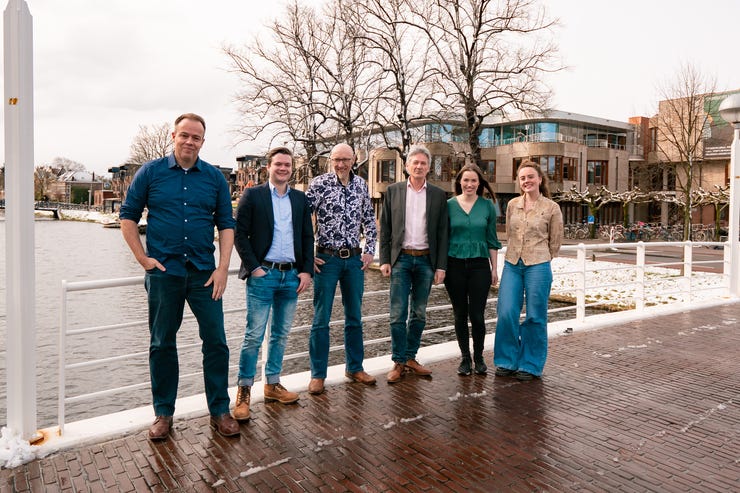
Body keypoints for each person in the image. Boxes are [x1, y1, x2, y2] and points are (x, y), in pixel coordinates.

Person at [119, 113, 239, 441]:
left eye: (196, 137)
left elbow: (227, 225)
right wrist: (142, 258)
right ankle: (163, 414)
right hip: (164, 275)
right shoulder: (151, 173)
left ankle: (220, 410)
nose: (189, 141)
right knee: (161, 344)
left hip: (205, 275)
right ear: (173, 136)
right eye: (184, 135)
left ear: (202, 142)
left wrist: (222, 269)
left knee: (216, 342)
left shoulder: (214, 178)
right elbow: (127, 216)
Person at [232, 147, 314, 422]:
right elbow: (239, 234)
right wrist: (254, 268)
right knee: (254, 336)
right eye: (278, 164)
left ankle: (272, 384)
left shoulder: (300, 199)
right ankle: (244, 391)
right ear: (268, 167)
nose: (283, 168)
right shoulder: (253, 195)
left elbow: (307, 236)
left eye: (287, 165)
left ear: (292, 169)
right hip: (263, 275)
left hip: (291, 277)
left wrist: (305, 272)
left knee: (280, 334)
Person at [305, 144, 378, 395]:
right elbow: (303, 220)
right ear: (330, 161)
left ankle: (355, 367)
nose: (341, 164)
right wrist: (307, 255)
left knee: (354, 316)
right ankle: (318, 374)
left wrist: (370, 250)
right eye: (336, 160)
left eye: (345, 160)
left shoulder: (361, 185)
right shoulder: (318, 184)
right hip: (326, 259)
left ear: (354, 160)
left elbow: (369, 218)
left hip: (354, 261)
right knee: (321, 318)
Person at [379, 145, 449, 383]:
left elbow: (442, 233)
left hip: (426, 260)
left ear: (429, 167)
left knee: (419, 313)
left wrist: (441, 266)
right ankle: (398, 361)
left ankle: (410, 357)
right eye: (414, 162)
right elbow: (385, 228)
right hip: (401, 260)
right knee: (397, 314)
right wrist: (385, 259)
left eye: (423, 163)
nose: (418, 166)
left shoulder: (439, 195)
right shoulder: (394, 191)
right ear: (407, 166)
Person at [494, 160, 563, 381]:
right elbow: (510, 235)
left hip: (539, 265)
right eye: (522, 178)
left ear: (540, 179)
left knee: (535, 316)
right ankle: (507, 360)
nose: (526, 181)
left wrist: (543, 256)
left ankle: (530, 364)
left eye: (530, 177)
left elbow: (556, 241)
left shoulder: (551, 208)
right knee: (506, 312)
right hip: (513, 264)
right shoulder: (512, 204)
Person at [444, 164, 501, 376]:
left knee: (477, 314)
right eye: (465, 180)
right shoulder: (448, 205)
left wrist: (495, 269)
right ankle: (465, 358)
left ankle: (479, 356)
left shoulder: (487, 206)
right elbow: (443, 237)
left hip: (479, 266)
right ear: (459, 182)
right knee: (460, 313)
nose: (469, 184)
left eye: (474, 181)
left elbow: (492, 239)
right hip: (454, 265)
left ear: (480, 183)